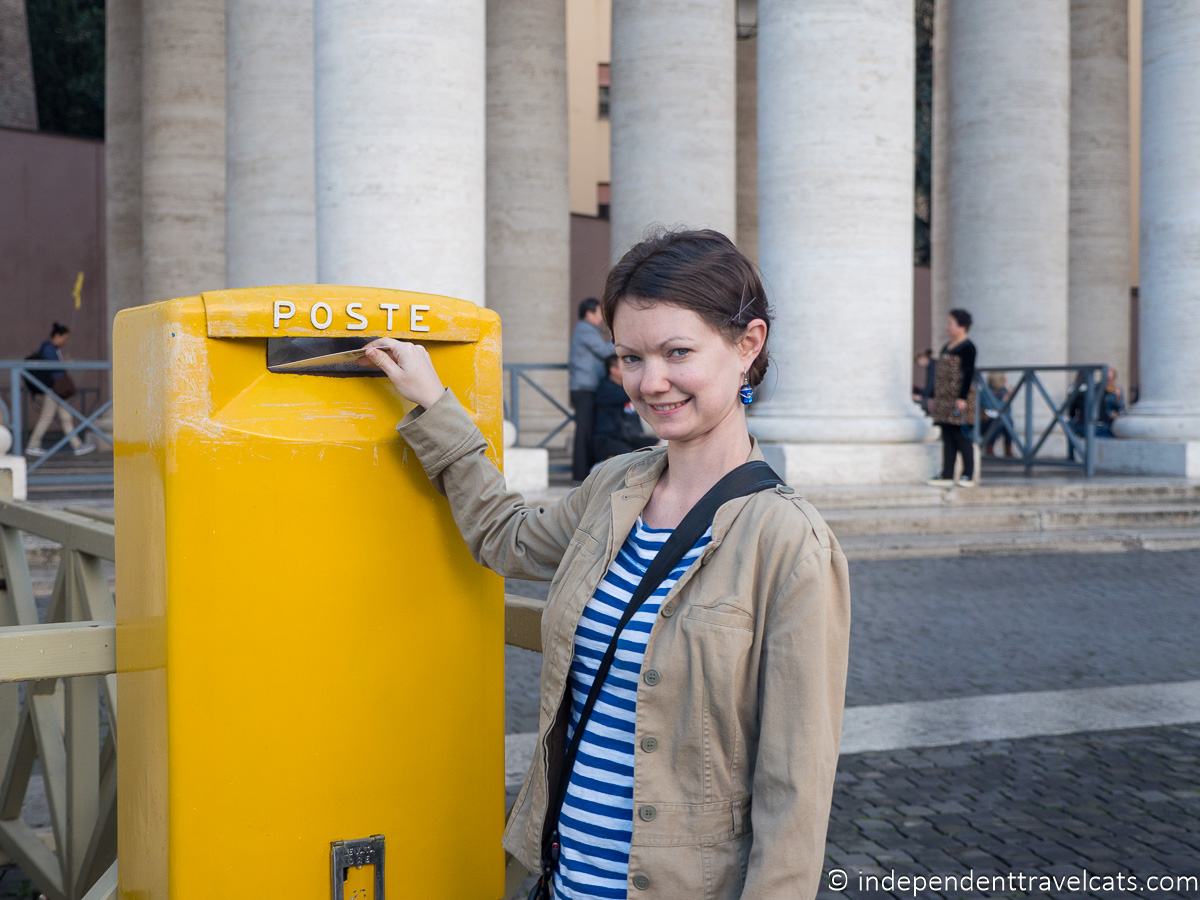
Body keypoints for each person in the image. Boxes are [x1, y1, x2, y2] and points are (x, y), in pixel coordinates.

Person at [363, 229, 850, 899]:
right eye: (630, 357)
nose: (652, 382)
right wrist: (434, 407)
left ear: (748, 345)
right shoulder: (615, 486)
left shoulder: (789, 541)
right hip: (563, 880)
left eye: (678, 352)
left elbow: (793, 788)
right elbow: (505, 536)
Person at [25, 322, 94, 458]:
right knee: (48, 418)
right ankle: (33, 445)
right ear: (57, 336)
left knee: (65, 417)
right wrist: (65, 364)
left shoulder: (51, 349)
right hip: (54, 390)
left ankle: (77, 445)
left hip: (54, 390)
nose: (65, 341)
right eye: (65, 338)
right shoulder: (49, 348)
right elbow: (54, 369)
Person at [927, 308, 977, 488]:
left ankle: (968, 474)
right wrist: (933, 395)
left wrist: (962, 397)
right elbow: (938, 374)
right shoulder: (946, 347)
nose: (947, 327)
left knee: (961, 435)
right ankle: (947, 473)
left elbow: (968, 373)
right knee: (947, 435)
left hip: (959, 398)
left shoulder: (968, 347)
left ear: (961, 326)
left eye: (951, 323)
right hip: (943, 398)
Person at [568, 297, 615, 481]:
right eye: (598, 313)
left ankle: (584, 471)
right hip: (584, 388)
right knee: (584, 431)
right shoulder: (584, 330)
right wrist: (618, 338)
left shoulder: (586, 330)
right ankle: (580, 473)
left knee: (587, 430)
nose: (601, 318)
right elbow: (605, 351)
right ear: (589, 313)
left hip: (586, 387)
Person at [592, 353, 659, 463]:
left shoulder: (622, 388)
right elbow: (630, 393)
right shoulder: (605, 390)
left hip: (629, 438)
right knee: (632, 459)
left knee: (661, 446)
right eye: (626, 365)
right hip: (608, 440)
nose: (630, 369)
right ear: (613, 370)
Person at [981, 371, 1014, 458]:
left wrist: (1008, 398)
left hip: (1000, 420)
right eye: (1003, 379)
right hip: (986, 421)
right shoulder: (985, 391)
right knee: (997, 422)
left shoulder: (1004, 391)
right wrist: (1004, 401)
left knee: (1009, 421)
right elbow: (990, 408)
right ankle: (989, 448)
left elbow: (1008, 411)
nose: (1005, 381)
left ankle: (1008, 449)